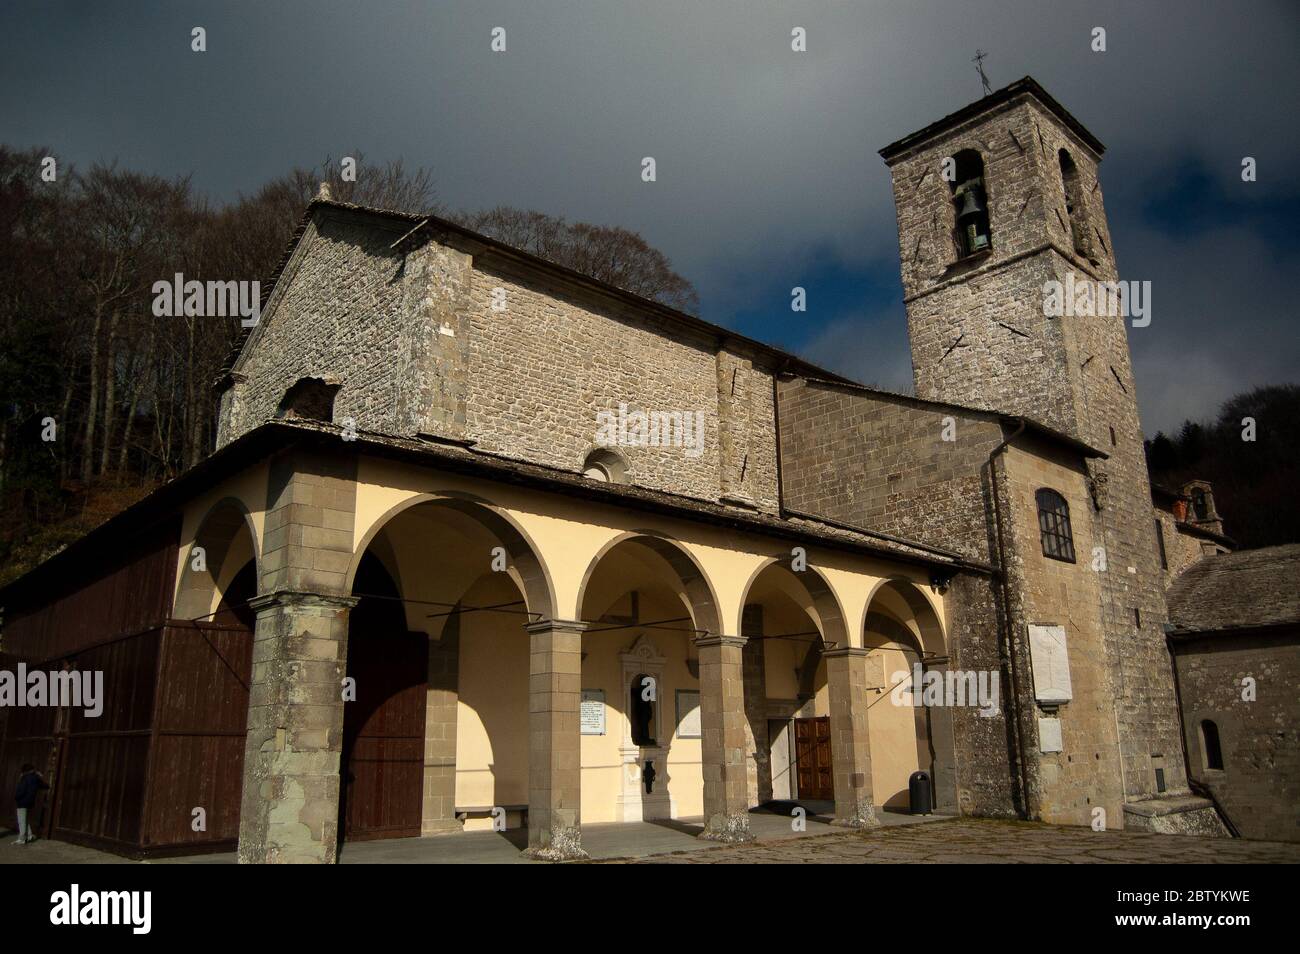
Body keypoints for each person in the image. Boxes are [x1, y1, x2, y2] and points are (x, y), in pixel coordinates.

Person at [14, 764, 49, 845]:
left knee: (22, 820)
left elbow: (21, 790)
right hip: (30, 801)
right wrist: (41, 776)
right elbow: (46, 786)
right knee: (25, 820)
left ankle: (22, 838)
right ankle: (30, 835)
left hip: (22, 801)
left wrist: (16, 797)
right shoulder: (36, 778)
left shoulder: (25, 778)